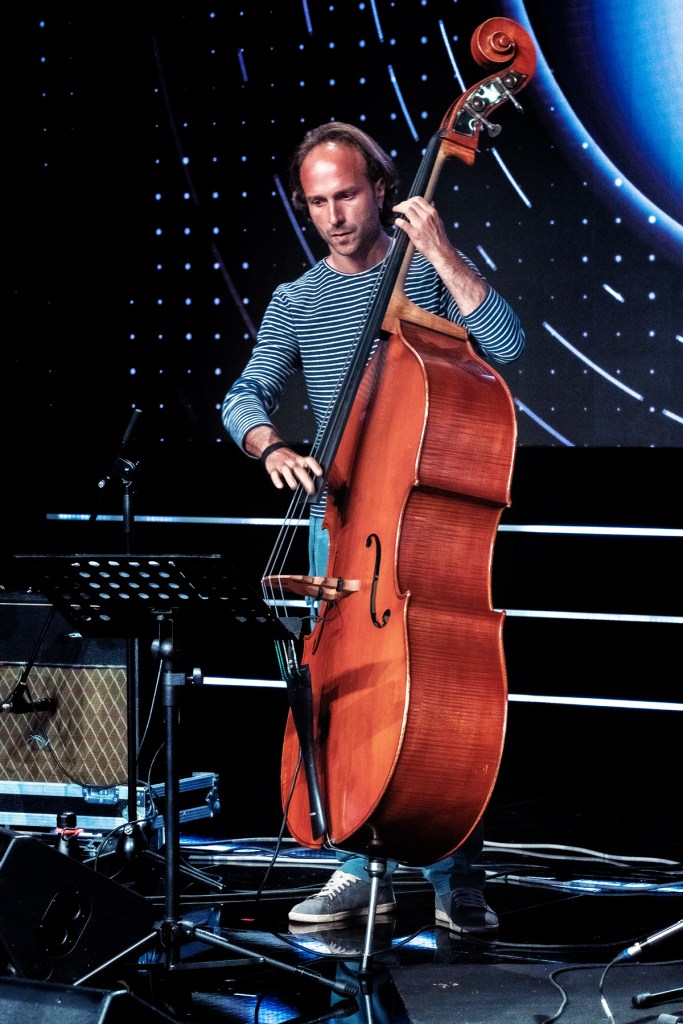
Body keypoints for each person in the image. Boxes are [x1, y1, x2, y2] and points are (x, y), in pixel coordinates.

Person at [222, 122, 525, 939]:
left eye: (347, 195)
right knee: (345, 693)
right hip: (339, 521)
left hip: (416, 522)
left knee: (436, 691)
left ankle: (455, 870)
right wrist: (271, 446)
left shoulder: (425, 273)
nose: (334, 216)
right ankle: (356, 867)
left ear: (381, 189)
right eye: (317, 202)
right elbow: (242, 397)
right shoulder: (297, 300)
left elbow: (506, 345)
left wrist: (444, 252)